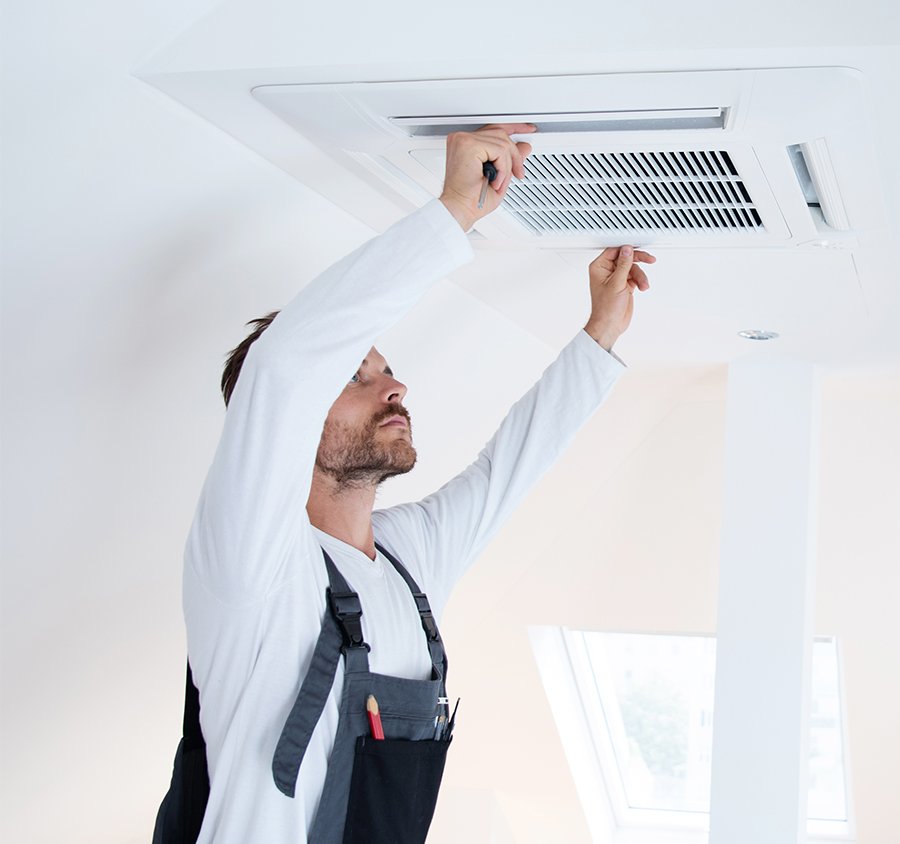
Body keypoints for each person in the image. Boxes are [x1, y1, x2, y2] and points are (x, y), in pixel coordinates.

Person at [153, 124, 655, 843]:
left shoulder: (407, 562)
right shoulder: (250, 566)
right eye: (354, 375)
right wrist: (453, 210)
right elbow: (283, 368)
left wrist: (600, 333)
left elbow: (509, 470)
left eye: (382, 368)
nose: (394, 385)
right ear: (290, 424)